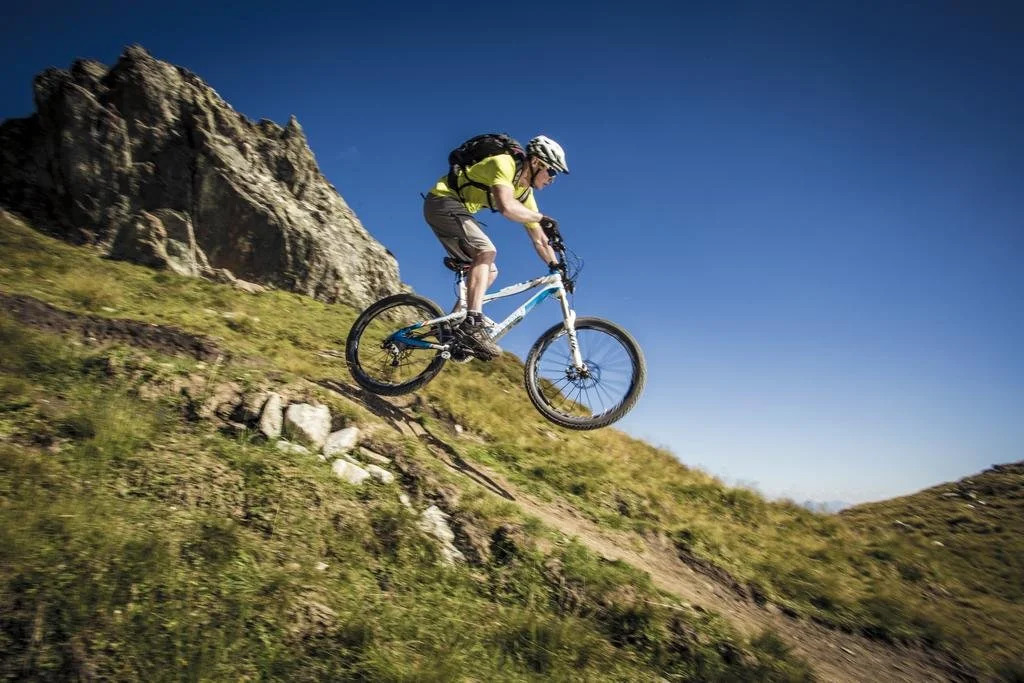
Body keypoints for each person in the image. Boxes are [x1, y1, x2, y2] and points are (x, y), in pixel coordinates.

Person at [423, 135, 570, 360]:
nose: (552, 179)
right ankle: (472, 324)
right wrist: (542, 218)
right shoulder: (504, 163)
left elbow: (539, 240)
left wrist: (556, 266)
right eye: (551, 171)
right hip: (441, 201)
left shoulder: (525, 193)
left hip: (455, 212)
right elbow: (506, 207)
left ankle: (449, 329)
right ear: (537, 162)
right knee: (486, 251)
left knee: (490, 271)